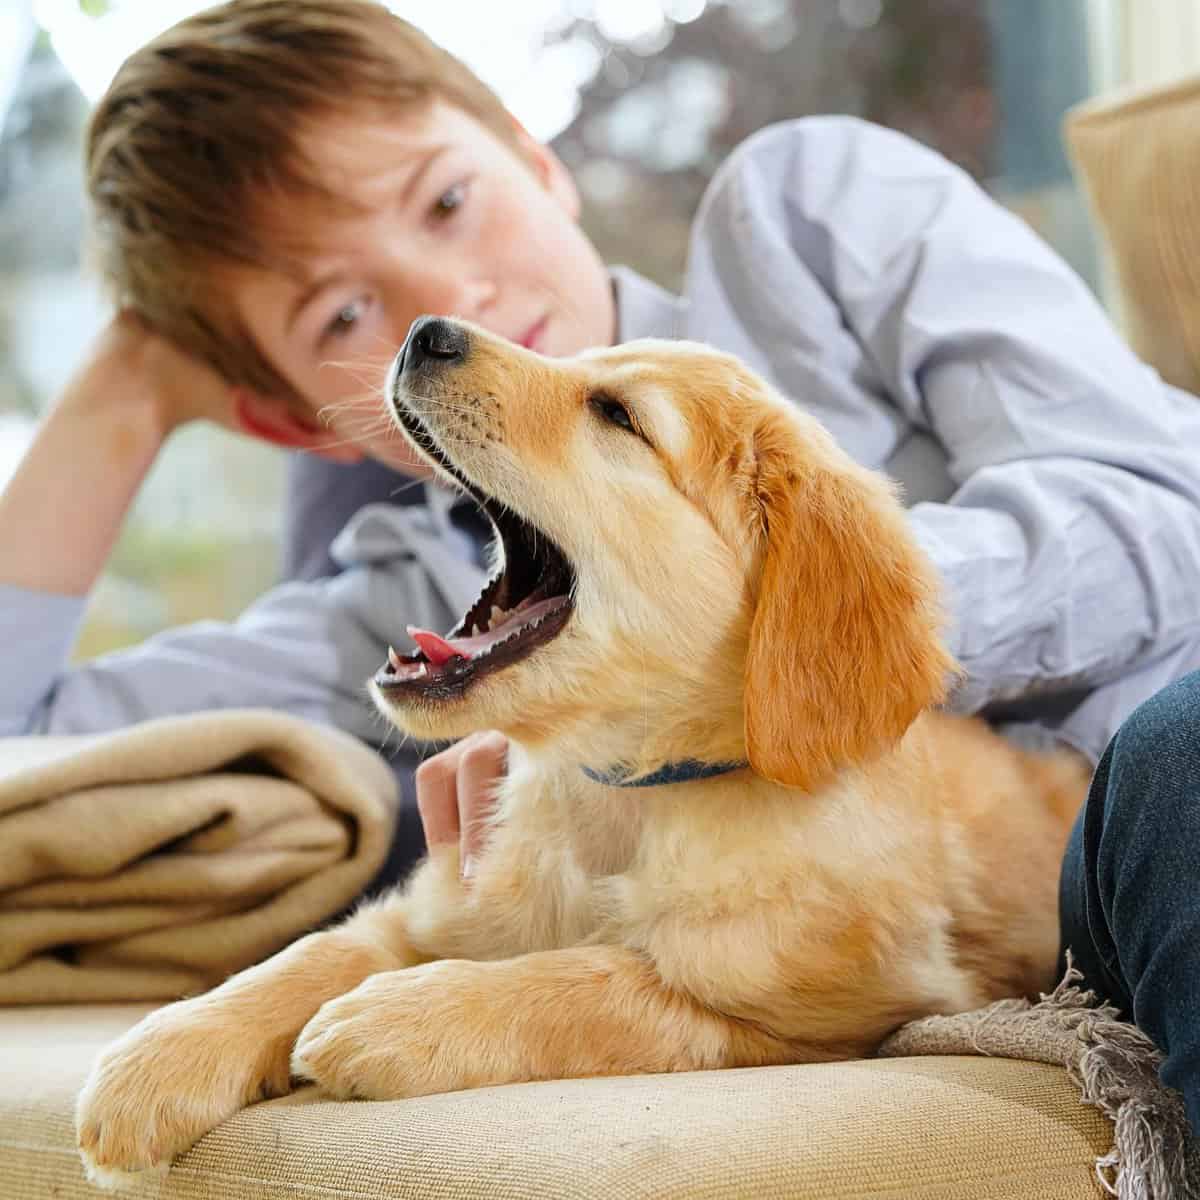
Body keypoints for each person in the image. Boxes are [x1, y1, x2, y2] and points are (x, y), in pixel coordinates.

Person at [1, 0, 1198, 1125]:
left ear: (535, 157)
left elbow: (1167, 504)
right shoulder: (409, 601)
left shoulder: (806, 212)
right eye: (339, 317)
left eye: (447, 201)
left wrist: (762, 633)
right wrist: (121, 397)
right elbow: (30, 739)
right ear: (291, 417)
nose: (444, 297)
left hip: (1143, 774)